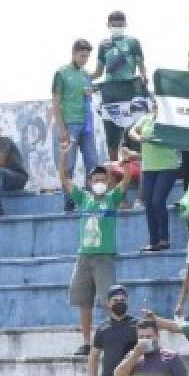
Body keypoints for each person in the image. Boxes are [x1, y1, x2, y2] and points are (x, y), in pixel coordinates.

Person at [58, 145, 123, 356]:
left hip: (104, 258)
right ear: (89, 183)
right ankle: (87, 342)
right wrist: (64, 156)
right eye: (95, 180)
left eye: (103, 179)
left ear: (108, 181)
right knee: (83, 302)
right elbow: (64, 178)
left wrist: (113, 165)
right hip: (84, 257)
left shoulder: (112, 199)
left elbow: (127, 180)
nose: (99, 183)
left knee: (109, 301)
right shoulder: (83, 198)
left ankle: (112, 340)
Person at [126, 97, 180, 252]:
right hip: (149, 167)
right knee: (148, 203)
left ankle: (164, 239)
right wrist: (140, 138)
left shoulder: (171, 121)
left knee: (158, 200)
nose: (157, 105)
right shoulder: (146, 118)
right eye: (156, 102)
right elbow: (131, 132)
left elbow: (177, 138)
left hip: (168, 166)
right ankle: (153, 241)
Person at [51, 42, 98, 213]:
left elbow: (88, 95)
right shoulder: (61, 73)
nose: (84, 59)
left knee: (92, 162)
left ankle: (91, 198)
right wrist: (61, 128)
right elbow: (55, 101)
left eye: (87, 56)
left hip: (87, 125)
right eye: (82, 56)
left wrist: (89, 93)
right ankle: (69, 200)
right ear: (73, 53)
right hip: (69, 124)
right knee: (68, 165)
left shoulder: (86, 74)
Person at [92, 11, 148, 154]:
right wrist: (84, 78)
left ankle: (137, 167)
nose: (117, 26)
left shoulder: (133, 42)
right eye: (114, 24)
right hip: (111, 92)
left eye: (120, 24)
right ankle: (115, 170)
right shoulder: (103, 45)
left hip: (130, 90)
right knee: (112, 138)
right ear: (108, 25)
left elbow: (141, 66)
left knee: (134, 133)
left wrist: (144, 77)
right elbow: (98, 72)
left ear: (125, 24)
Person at [88, 284, 138, 376]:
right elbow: (94, 357)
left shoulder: (137, 325)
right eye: (115, 301)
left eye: (122, 300)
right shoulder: (102, 328)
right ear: (108, 303)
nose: (119, 303)